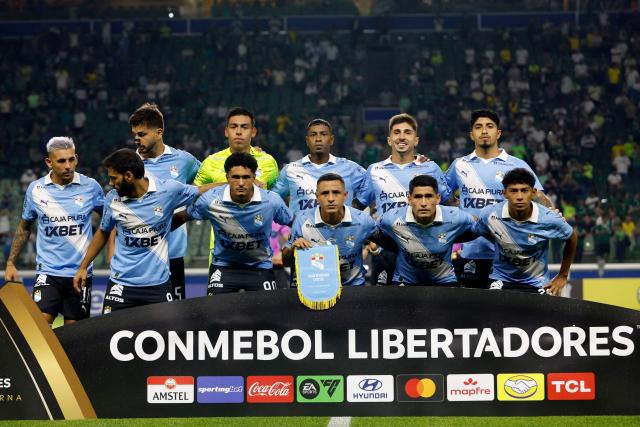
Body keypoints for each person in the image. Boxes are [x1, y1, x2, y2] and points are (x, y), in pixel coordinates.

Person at [73, 149, 213, 314]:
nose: (111, 183)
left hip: (158, 285)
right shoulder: (113, 198)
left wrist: (233, 184)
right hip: (121, 284)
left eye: (114, 178)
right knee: (109, 337)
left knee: (164, 338)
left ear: (129, 176)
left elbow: (201, 190)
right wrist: (83, 267)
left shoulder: (167, 191)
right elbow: (103, 232)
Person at [445, 109, 553, 289]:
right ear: (472, 134)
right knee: (468, 313)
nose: (484, 131)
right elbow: (440, 196)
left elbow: (539, 197)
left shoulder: (516, 164)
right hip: (469, 253)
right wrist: (457, 208)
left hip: (507, 255)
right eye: (478, 127)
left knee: (503, 314)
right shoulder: (460, 165)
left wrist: (551, 215)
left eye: (490, 126)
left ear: (498, 133)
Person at [4, 137, 104, 325]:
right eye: (61, 161)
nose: (68, 166)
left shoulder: (91, 187)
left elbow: (108, 222)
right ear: (49, 162)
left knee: (74, 336)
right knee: (41, 330)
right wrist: (11, 263)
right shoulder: (36, 189)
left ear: (76, 158)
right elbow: (25, 227)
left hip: (80, 274)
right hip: (48, 272)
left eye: (71, 159)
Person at [175, 152, 293, 294]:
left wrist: (289, 245)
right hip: (224, 267)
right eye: (236, 177)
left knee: (265, 315)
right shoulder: (210, 200)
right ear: (227, 178)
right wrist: (157, 231)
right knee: (215, 314)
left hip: (260, 267)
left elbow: (294, 222)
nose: (241, 183)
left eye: (246, 177)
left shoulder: (271, 201)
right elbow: (182, 217)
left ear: (254, 177)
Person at [355, 113, 452, 285]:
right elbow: (356, 208)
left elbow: (450, 206)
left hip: (425, 251)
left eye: (407, 132)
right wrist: (369, 239)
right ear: (389, 140)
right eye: (397, 132)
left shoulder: (431, 168)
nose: (401, 136)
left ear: (416, 140)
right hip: (386, 252)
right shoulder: (375, 170)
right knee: (385, 307)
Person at [129, 103, 201, 300]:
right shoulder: (128, 164)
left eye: (142, 134)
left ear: (159, 132)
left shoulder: (183, 160)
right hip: (138, 256)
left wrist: (189, 213)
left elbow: (207, 181)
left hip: (173, 254)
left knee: (175, 321)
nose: (137, 139)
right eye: (135, 135)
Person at [193, 107, 280, 266]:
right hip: (222, 253)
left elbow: (276, 200)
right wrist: (227, 185)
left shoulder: (268, 162)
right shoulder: (210, 163)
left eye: (244, 127)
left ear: (253, 132)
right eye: (233, 127)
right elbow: (194, 195)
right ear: (226, 131)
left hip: (258, 253)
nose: (238, 132)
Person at [472, 168, 577, 295]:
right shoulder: (490, 214)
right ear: (504, 193)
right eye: (513, 191)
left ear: (533, 192)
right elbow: (479, 231)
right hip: (501, 280)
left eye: (524, 190)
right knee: (497, 314)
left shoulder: (549, 219)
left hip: (537, 282)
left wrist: (563, 276)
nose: (519, 197)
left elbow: (572, 237)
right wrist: (502, 240)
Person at [375, 175, 476, 286]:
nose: (423, 203)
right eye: (418, 197)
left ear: (438, 198)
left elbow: (480, 226)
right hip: (404, 281)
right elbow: (369, 229)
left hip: (444, 280)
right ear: (409, 199)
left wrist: (454, 238)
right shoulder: (391, 219)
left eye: (429, 196)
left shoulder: (456, 217)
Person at [283, 173, 375, 286]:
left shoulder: (363, 220)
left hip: (352, 286)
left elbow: (383, 246)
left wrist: (374, 247)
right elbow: (285, 262)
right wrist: (293, 248)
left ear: (345, 195)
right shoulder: (302, 220)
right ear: (317, 196)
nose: (331, 199)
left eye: (336, 193)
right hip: (317, 286)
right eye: (325, 193)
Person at [271, 118, 366, 213]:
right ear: (307, 141)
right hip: (302, 227)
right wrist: (287, 219)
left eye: (323, 134)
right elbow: (271, 200)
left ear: (331, 140)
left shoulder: (350, 168)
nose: (318, 139)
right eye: (313, 135)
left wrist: (357, 208)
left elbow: (372, 186)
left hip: (340, 228)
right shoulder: (290, 170)